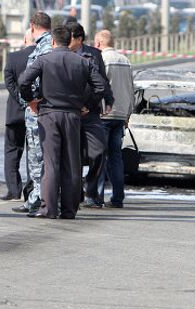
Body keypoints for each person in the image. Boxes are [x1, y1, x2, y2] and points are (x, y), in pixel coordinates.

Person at [19, 26, 105, 219]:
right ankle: (69, 210)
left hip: (48, 115)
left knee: (51, 164)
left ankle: (48, 209)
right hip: (73, 116)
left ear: (52, 41)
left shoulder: (43, 60)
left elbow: (23, 81)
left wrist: (31, 100)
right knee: (72, 164)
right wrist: (87, 105)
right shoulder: (82, 62)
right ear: (70, 41)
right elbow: (101, 87)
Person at [66, 22, 114, 209]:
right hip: (70, 112)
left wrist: (108, 100)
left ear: (78, 39)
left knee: (99, 151)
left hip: (90, 112)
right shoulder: (61, 54)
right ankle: (75, 193)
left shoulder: (94, 54)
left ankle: (91, 188)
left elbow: (102, 81)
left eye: (69, 38)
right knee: (73, 155)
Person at [12, 12, 52, 215]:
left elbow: (30, 81)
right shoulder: (51, 44)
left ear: (32, 26)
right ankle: (39, 197)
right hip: (49, 109)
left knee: (37, 157)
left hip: (39, 110)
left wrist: (29, 100)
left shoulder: (43, 48)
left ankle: (38, 198)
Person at [95, 30, 134, 208]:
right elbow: (131, 89)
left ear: (98, 43)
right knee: (116, 158)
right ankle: (118, 198)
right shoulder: (125, 60)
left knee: (100, 157)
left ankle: (98, 197)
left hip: (104, 114)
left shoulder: (101, 60)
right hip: (120, 116)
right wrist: (127, 114)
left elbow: (98, 87)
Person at [0, 30, 36, 201]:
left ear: (24, 39)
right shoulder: (42, 56)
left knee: (12, 151)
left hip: (14, 113)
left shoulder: (13, 57)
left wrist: (20, 99)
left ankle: (14, 190)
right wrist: (29, 101)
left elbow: (8, 81)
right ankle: (31, 190)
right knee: (33, 152)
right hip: (36, 110)